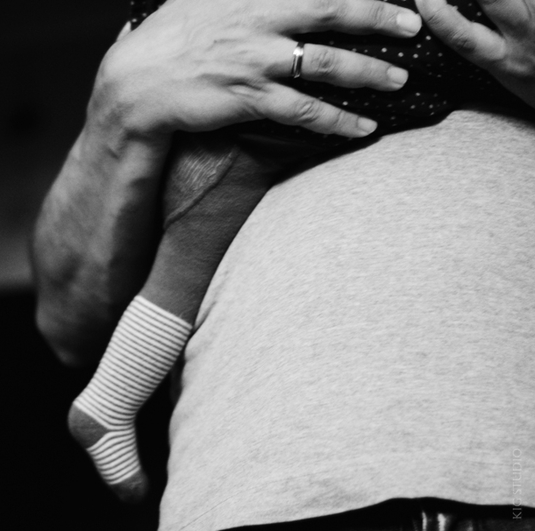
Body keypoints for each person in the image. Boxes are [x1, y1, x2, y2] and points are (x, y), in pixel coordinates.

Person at [31, 0, 535, 528]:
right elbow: (66, 324)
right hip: (246, 495)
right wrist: (118, 102)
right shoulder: (186, 26)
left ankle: (111, 398)